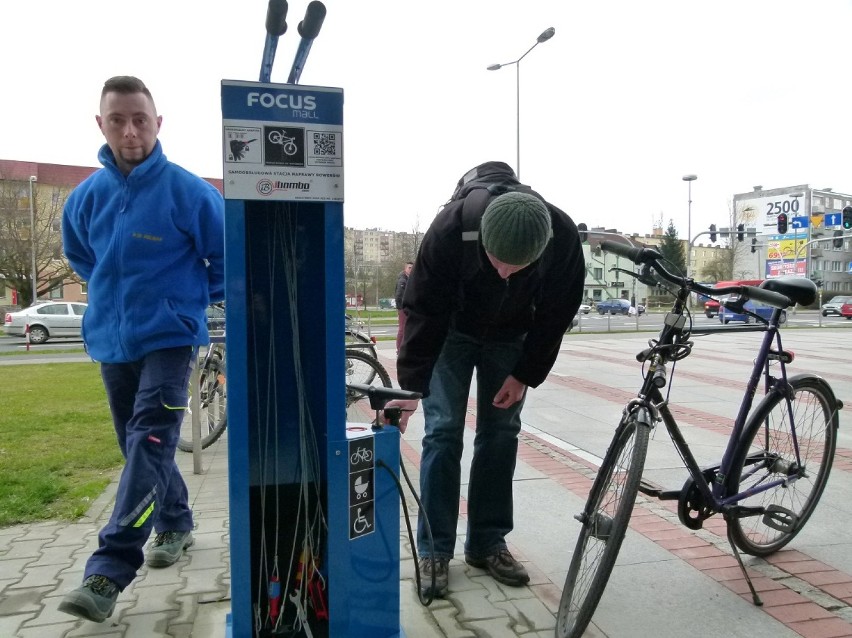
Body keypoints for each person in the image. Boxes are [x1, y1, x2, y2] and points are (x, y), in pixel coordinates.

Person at [58, 76, 225, 623]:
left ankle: (108, 570)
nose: (130, 131)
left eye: (140, 119)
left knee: (151, 436)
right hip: (111, 338)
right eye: (117, 120)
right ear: (100, 124)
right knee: (140, 449)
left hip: (171, 339)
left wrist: (190, 304)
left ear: (158, 123)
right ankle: (176, 521)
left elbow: (224, 262)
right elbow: (83, 259)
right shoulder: (85, 199)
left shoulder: (190, 192)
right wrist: (117, 298)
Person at [387, 161, 584, 598]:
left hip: (511, 339)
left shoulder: (563, 239)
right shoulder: (451, 228)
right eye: (497, 261)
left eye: (519, 266)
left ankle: (487, 542)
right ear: (482, 239)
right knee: (441, 432)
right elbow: (423, 309)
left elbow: (556, 316)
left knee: (501, 434)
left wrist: (524, 373)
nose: (504, 274)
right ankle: (435, 547)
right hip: (452, 333)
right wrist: (411, 388)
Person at [394, 261, 413, 354]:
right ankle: (399, 349)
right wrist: (402, 307)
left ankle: (402, 348)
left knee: (406, 328)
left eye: (412, 268)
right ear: (405, 269)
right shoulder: (403, 280)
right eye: (409, 267)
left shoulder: (409, 279)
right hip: (403, 308)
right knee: (402, 328)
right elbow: (399, 295)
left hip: (406, 307)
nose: (411, 269)